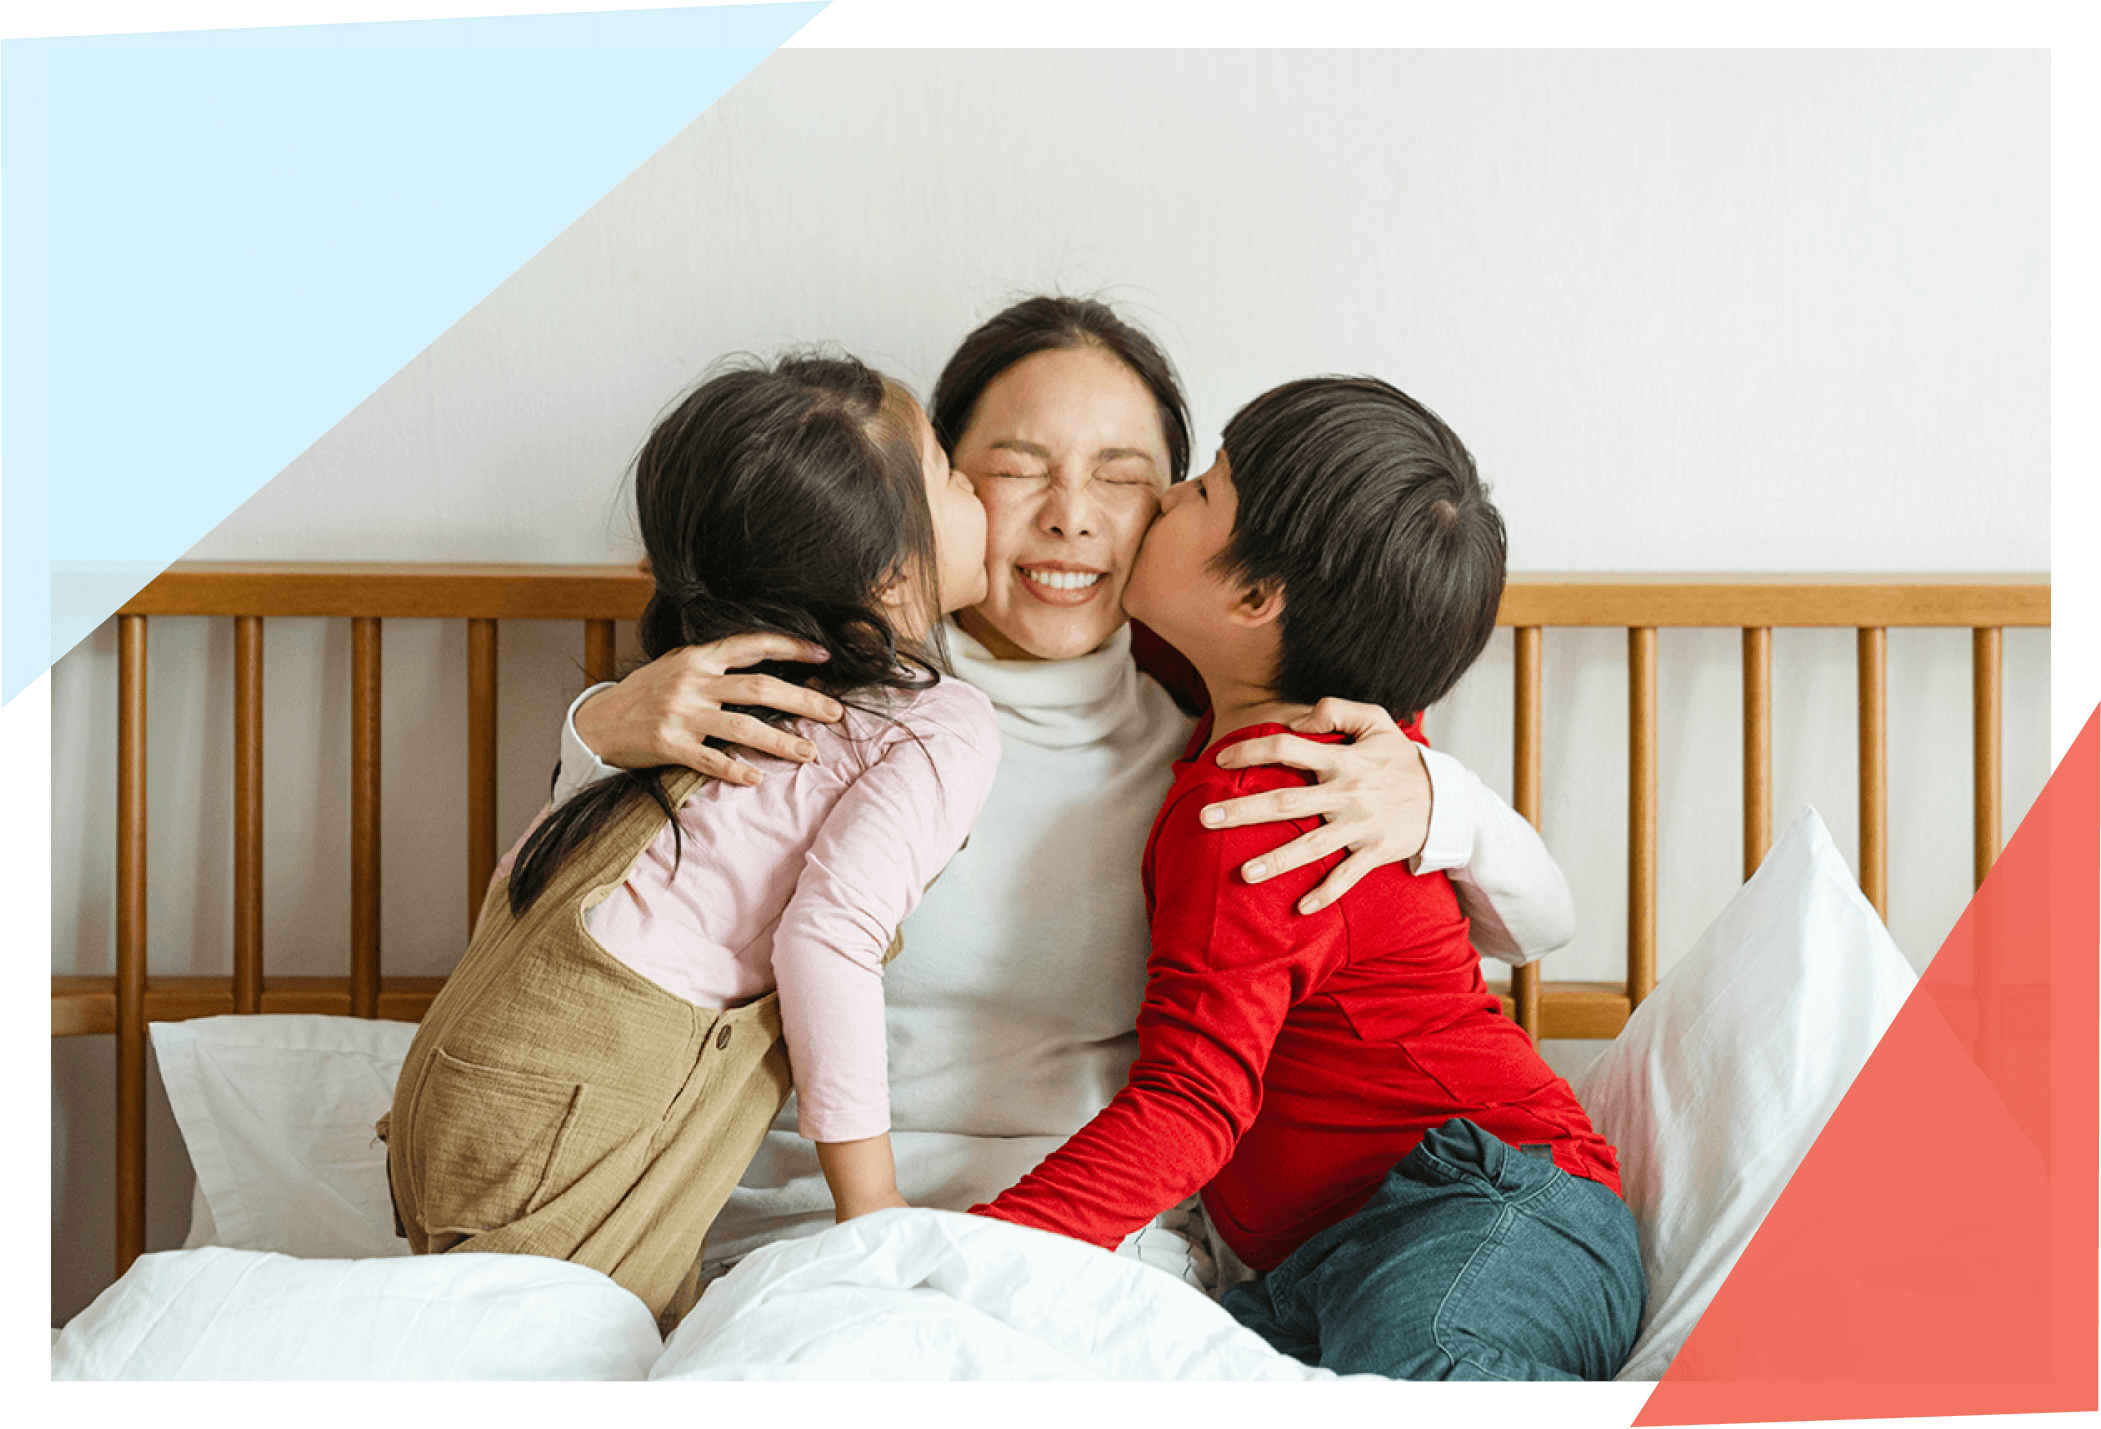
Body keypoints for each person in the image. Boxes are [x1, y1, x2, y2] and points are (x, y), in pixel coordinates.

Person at [553, 296, 1576, 1279]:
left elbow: (1522, 932)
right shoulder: (827, 695)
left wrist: (1441, 798)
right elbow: (585, 941)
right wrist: (599, 733)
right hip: (810, 1225)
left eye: (1124, 479)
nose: (1072, 519)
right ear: (934, 489)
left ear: (1185, 521)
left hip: (1095, 1243)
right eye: (1016, 468)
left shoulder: (1247, 751)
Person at [971, 376, 1645, 1380]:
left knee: (1433, 1358)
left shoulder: (1274, 804)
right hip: (1326, 1263)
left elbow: (1189, 1101)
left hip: (1493, 1205)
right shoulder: (1321, 708)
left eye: (1199, 490)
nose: (1157, 500)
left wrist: (969, 1254)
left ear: (1251, 599)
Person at [378, 352, 1001, 1330]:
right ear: (889, 571)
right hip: (580, 1107)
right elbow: (825, 940)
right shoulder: (938, 724)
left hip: (454, 1093)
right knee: (571, 1339)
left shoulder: (701, 694)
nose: (975, 487)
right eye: (948, 475)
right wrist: (870, 1204)